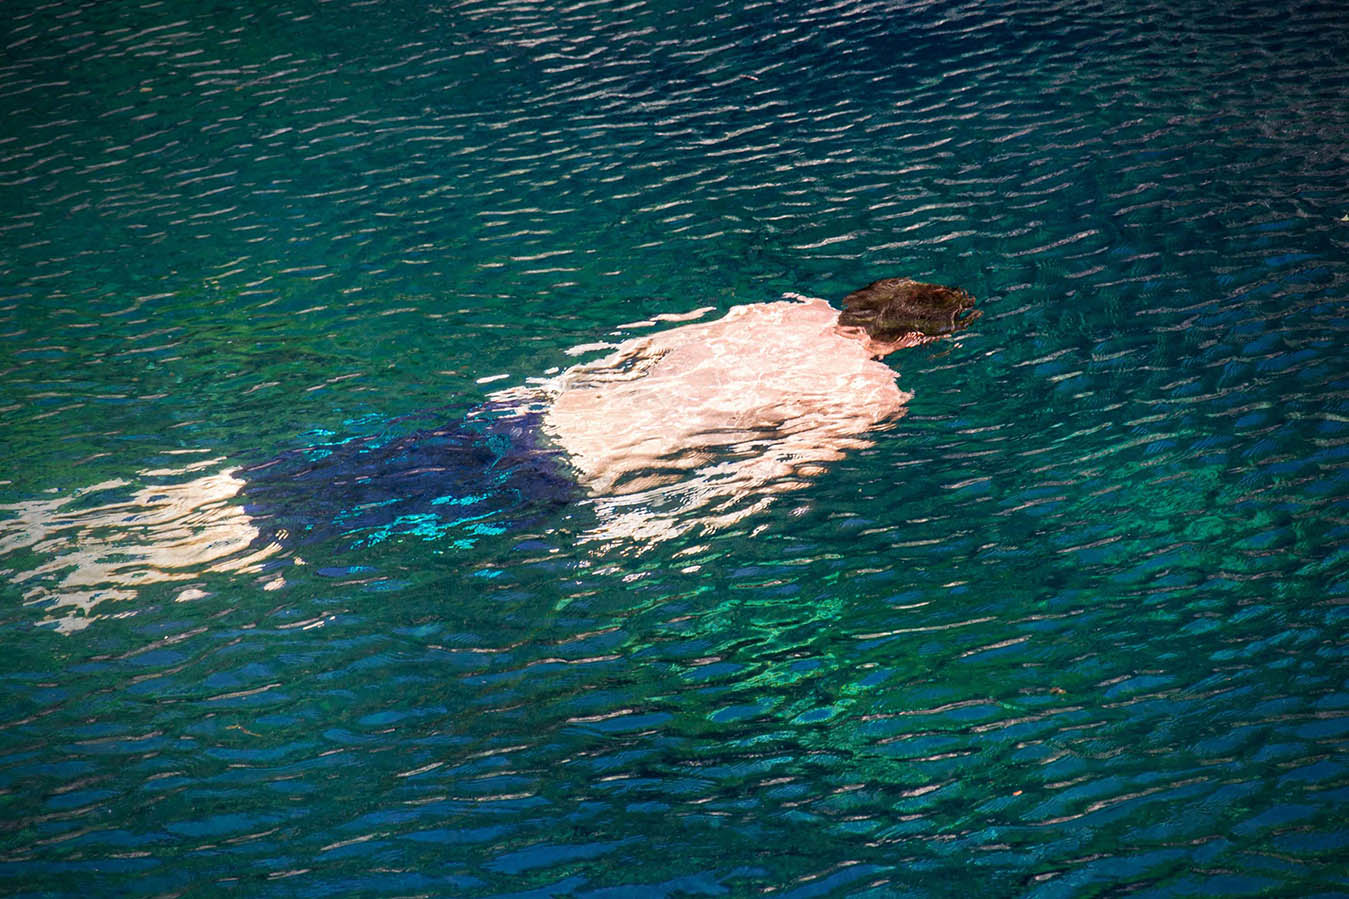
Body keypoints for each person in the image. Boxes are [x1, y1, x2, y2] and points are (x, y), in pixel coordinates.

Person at [1, 278, 975, 630]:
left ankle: (61, 521)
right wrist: (656, 529)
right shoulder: (868, 396)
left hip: (519, 414)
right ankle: (97, 580)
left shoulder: (774, 311)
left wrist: (543, 384)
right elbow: (762, 477)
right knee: (305, 529)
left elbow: (628, 351)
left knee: (290, 477)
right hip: (563, 473)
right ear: (915, 341)